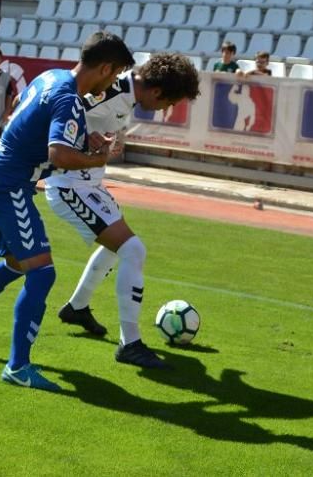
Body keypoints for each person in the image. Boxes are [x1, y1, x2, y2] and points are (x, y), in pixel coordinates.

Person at [0, 32, 135, 392]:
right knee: (42, 273)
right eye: (115, 74)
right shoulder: (70, 100)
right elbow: (58, 155)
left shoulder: (51, 77)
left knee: (17, 263)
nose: (113, 83)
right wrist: (98, 158)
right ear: (104, 67)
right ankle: (18, 366)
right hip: (10, 186)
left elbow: (31, 125)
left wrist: (83, 142)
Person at [47, 53, 201, 369]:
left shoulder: (124, 94)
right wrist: (81, 141)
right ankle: (130, 343)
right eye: (169, 103)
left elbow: (96, 121)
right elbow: (51, 111)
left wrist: (109, 138)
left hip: (90, 185)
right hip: (68, 186)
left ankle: (77, 307)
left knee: (118, 248)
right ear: (157, 92)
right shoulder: (108, 90)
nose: (166, 110)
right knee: (133, 249)